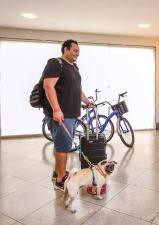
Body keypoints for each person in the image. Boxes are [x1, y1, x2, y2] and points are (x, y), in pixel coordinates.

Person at [42, 39, 93, 190]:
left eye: (78, 52)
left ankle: (58, 172)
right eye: (75, 50)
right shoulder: (56, 63)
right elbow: (48, 86)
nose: (77, 54)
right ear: (65, 49)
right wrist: (57, 110)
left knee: (61, 146)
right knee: (63, 147)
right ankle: (60, 179)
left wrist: (86, 100)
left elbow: (77, 88)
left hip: (71, 114)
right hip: (61, 115)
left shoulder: (74, 67)